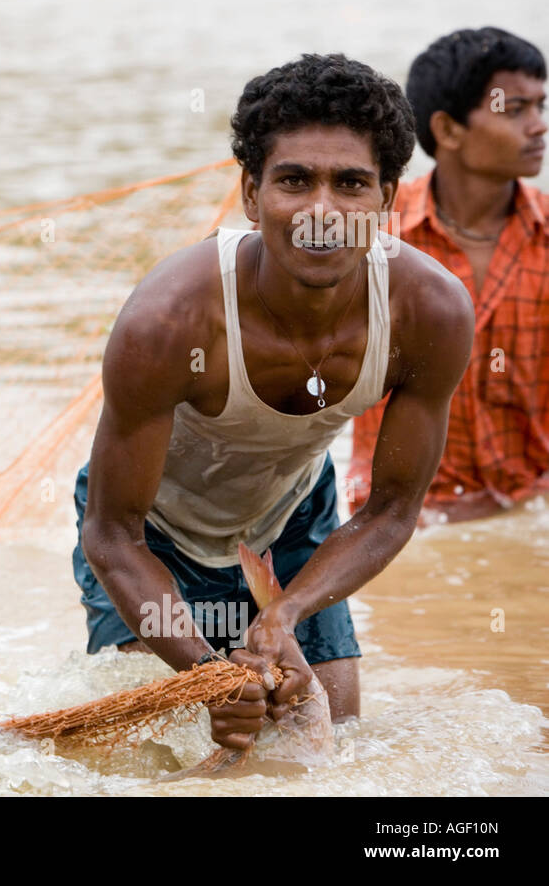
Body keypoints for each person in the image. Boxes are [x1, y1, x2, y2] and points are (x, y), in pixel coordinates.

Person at [71, 54, 474, 754]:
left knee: (331, 748)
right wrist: (206, 676)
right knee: (166, 756)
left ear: (387, 198)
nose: (323, 212)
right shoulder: (169, 319)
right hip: (152, 534)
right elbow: (111, 534)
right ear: (252, 197)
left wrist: (283, 613)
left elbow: (390, 510)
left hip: (292, 516)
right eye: (294, 181)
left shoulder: (429, 312)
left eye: (350, 184)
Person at [349, 28, 549, 524]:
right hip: (393, 519)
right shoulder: (372, 239)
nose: (539, 126)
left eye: (542, 106)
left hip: (528, 509)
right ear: (450, 130)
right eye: (516, 109)